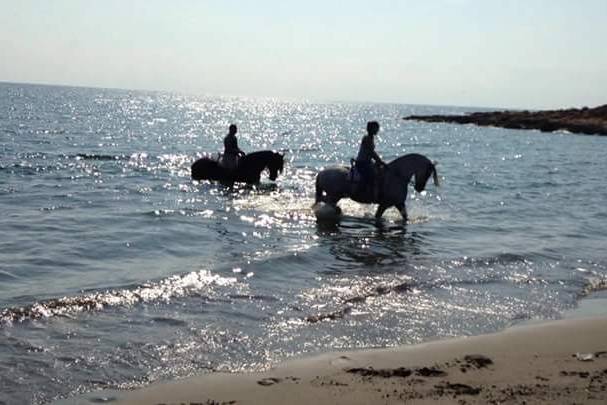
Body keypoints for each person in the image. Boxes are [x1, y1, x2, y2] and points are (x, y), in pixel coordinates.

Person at [355, 121, 386, 198]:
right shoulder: (367, 139)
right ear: (371, 129)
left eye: (378, 128)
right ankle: (369, 194)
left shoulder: (370, 138)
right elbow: (371, 152)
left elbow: (372, 152)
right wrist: (379, 161)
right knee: (373, 176)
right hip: (362, 162)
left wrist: (379, 161)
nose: (377, 130)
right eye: (376, 128)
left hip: (367, 162)